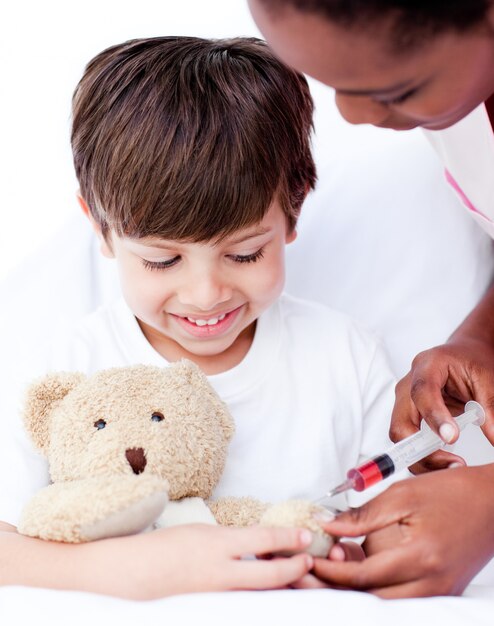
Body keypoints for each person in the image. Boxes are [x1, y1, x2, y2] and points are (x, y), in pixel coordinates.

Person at [0, 36, 396, 598]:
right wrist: (131, 572)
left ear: (293, 211)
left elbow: (395, 523)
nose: (206, 294)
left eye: (244, 254)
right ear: (100, 229)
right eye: (163, 260)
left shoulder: (346, 360)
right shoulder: (61, 368)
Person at [248, 0, 494, 597]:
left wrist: (488, 508)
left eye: (399, 87)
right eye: (330, 84)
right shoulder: (458, 98)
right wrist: (480, 338)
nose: (353, 114)